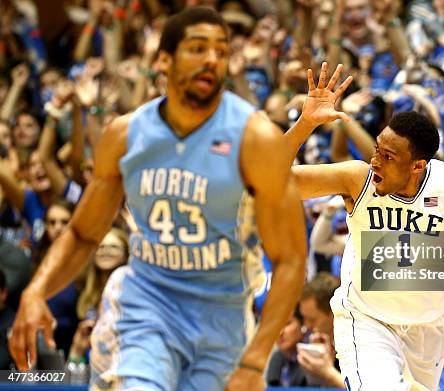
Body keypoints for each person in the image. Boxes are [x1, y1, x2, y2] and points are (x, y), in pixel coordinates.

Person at [3, 6, 347, 391]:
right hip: (150, 307)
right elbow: (84, 233)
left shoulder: (253, 137)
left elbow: (290, 261)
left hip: (222, 316)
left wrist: (254, 361)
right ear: (164, 59)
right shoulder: (125, 135)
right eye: (198, 48)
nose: (212, 59)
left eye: (221, 49)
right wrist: (36, 291)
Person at [285, 62, 444, 390]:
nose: (376, 161)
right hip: (367, 319)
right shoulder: (357, 179)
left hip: (428, 329)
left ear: (417, 165)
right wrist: (305, 124)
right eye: (377, 149)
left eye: (388, 157)